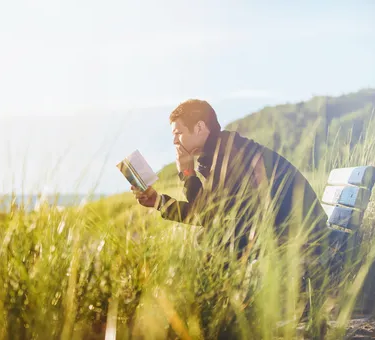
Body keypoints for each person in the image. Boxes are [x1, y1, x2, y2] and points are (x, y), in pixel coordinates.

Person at [131, 99, 338, 337]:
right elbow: (211, 213)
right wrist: (158, 201)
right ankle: (219, 319)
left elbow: (207, 215)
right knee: (208, 240)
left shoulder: (229, 154)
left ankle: (220, 322)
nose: (174, 141)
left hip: (300, 240)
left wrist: (186, 172)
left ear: (199, 128)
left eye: (178, 133)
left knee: (209, 242)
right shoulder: (221, 151)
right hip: (284, 232)